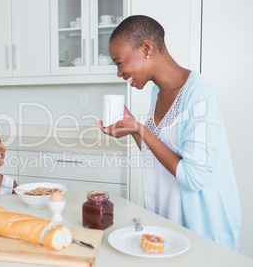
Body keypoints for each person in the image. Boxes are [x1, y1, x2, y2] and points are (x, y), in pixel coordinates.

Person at [99, 15, 241, 250]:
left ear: (146, 48)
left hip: (203, 232)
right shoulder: (157, 94)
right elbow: (159, 157)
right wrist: (134, 129)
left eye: (119, 62)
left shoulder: (200, 92)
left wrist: (141, 130)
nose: (119, 73)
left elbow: (194, 177)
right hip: (167, 224)